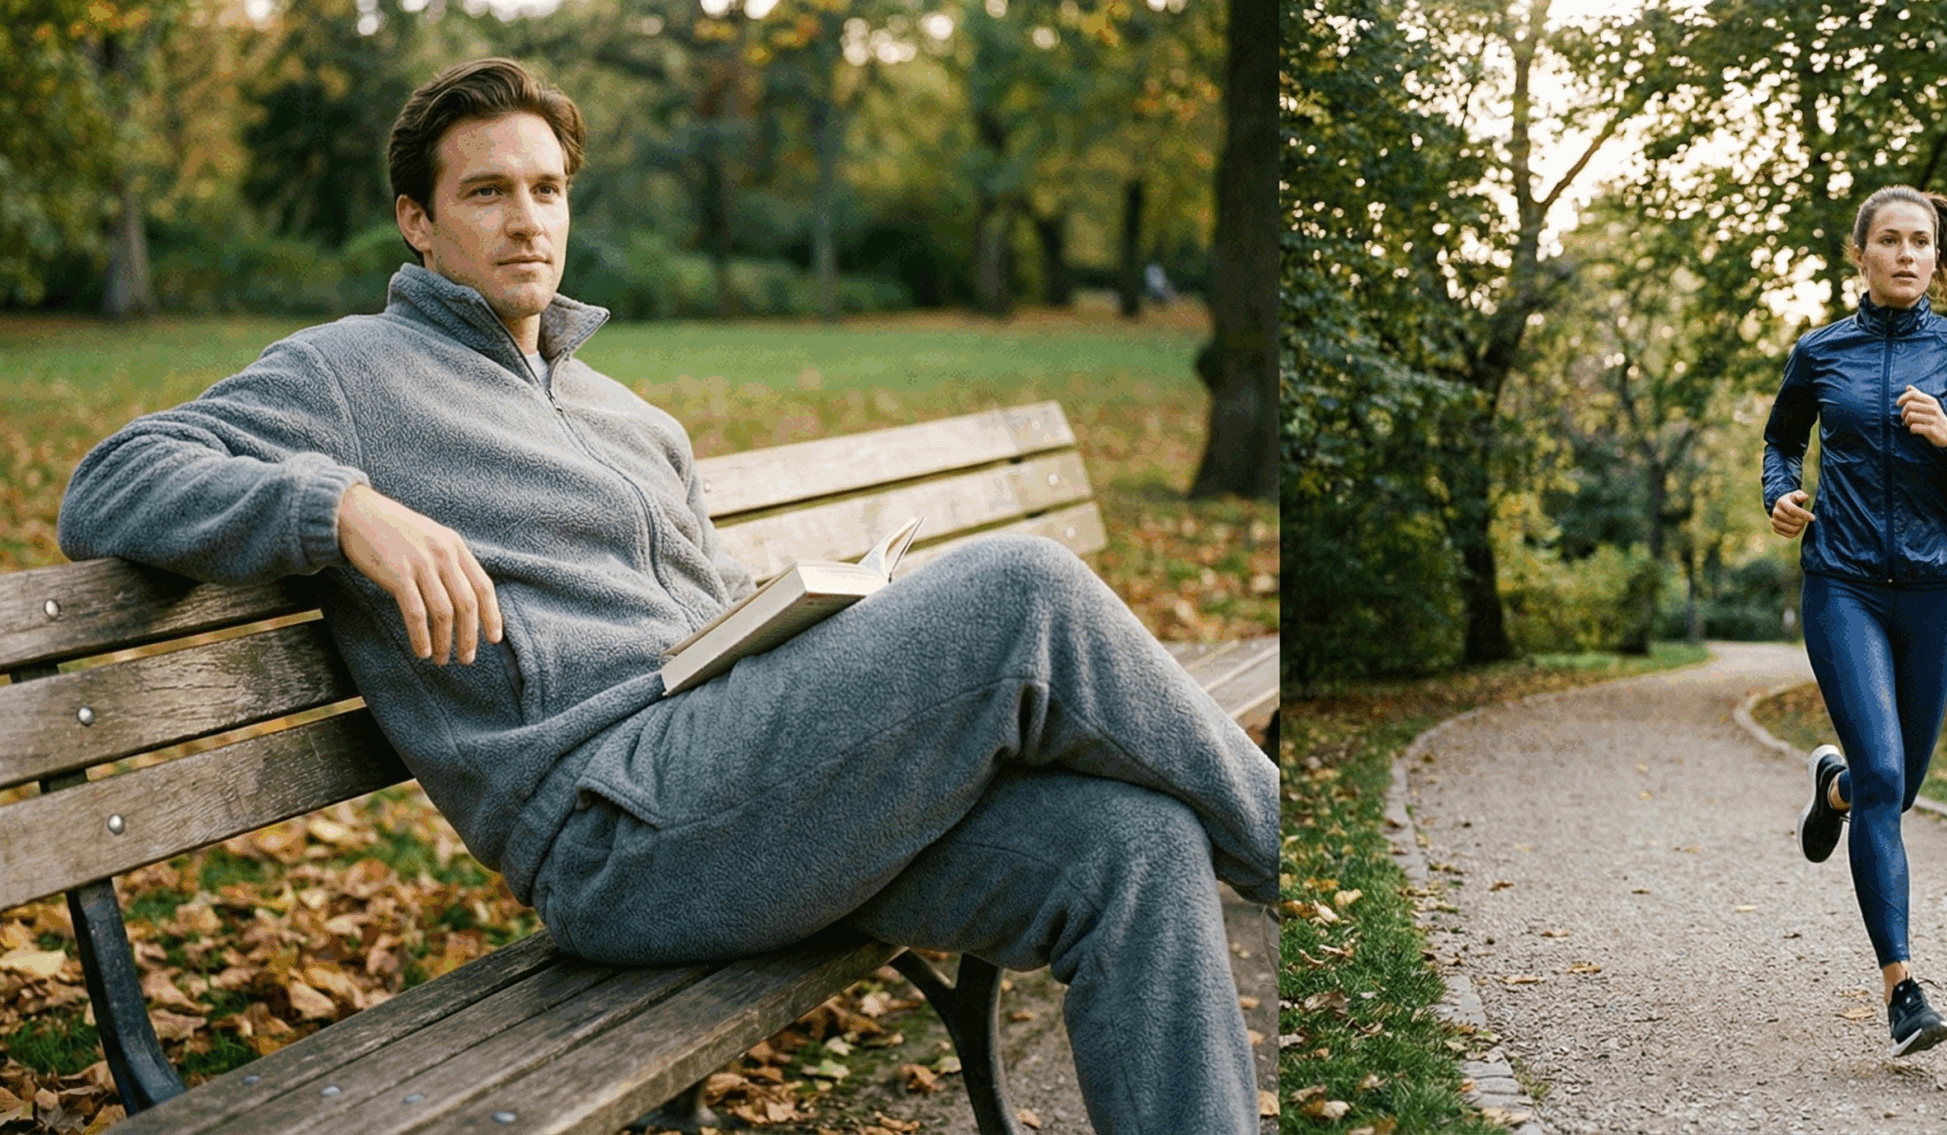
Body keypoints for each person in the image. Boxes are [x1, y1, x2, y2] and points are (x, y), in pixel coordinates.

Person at [56, 57, 1277, 1133]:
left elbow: (710, 618)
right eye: (486, 192)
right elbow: (113, 480)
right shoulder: (349, 375)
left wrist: (813, 624)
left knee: (1133, 848)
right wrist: (340, 508)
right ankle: (1296, 861)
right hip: (618, 832)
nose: (526, 219)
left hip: (748, 791)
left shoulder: (627, 414)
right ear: (416, 223)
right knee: (1022, 587)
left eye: (548, 189)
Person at [1760, 183, 1947, 1057]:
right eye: (1890, 239)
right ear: (1862, 255)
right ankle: (1903, 991)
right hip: (1841, 584)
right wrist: (1781, 493)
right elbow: (1781, 439)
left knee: (1894, 787)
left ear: (1935, 254)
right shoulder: (1821, 351)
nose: (1907, 253)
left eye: (1920, 240)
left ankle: (1834, 788)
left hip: (1932, 590)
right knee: (1887, 775)